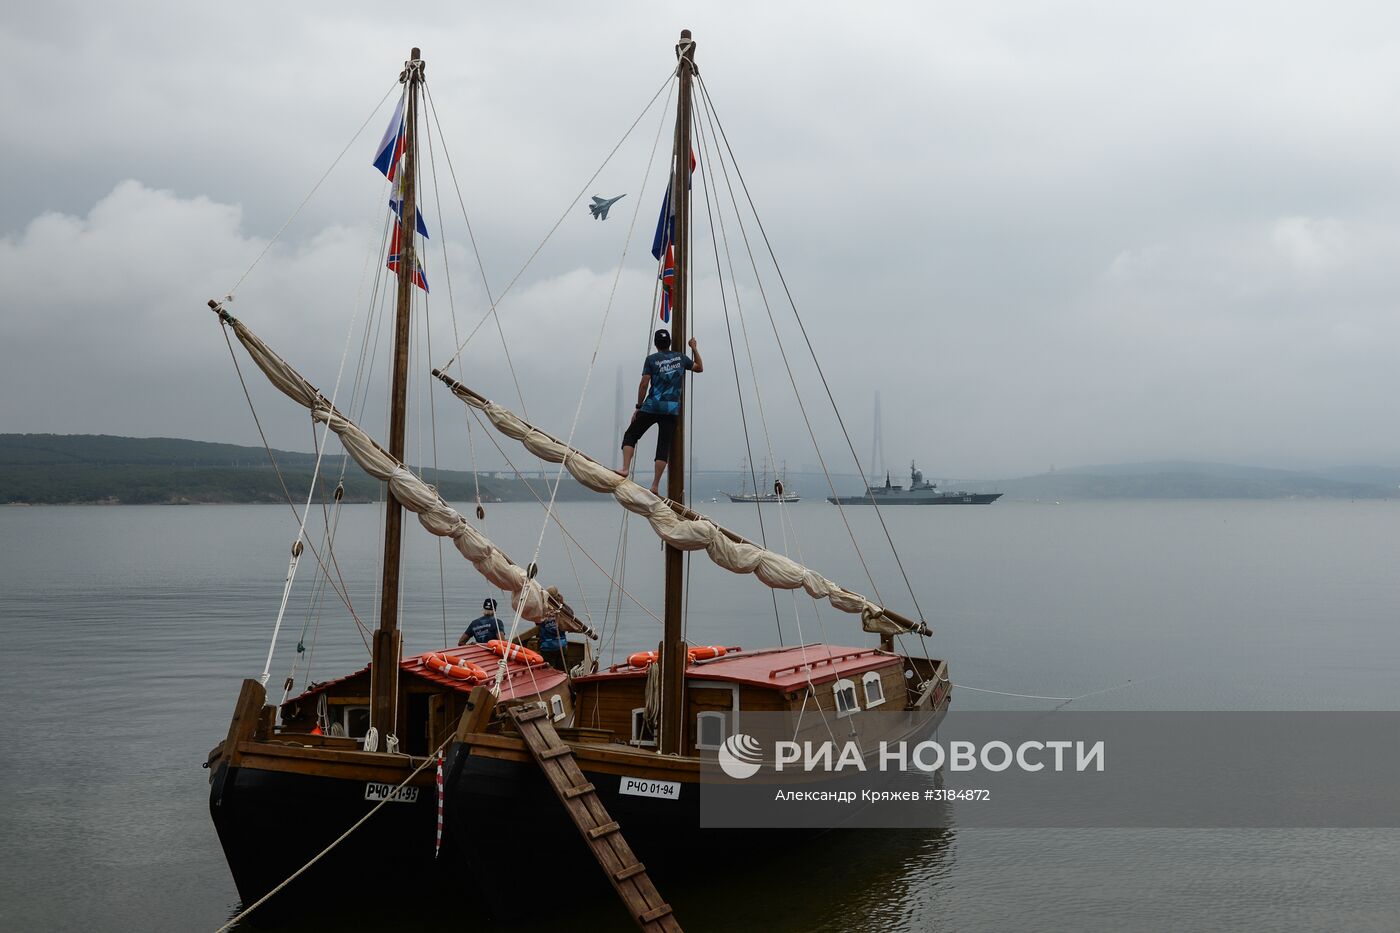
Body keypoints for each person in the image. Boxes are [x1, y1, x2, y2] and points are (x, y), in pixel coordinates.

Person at [618, 329, 704, 494]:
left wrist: (638, 406)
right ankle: (655, 485)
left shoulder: (651, 360)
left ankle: (624, 469)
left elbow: (644, 384)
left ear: (656, 344)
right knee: (663, 447)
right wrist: (693, 348)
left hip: (652, 406)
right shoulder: (681, 358)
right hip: (671, 410)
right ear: (670, 342)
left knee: (631, 435)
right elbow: (699, 368)